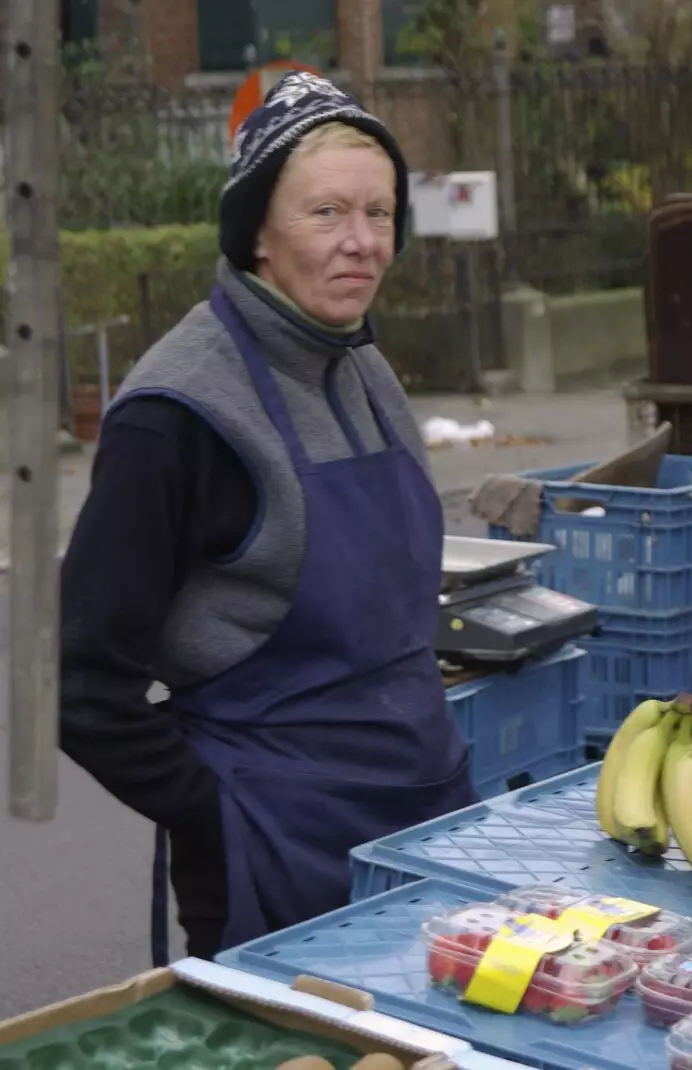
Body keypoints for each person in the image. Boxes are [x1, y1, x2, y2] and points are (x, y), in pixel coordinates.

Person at [58, 73, 479, 958]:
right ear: (256, 232)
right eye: (326, 213)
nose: (362, 243)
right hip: (278, 854)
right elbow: (82, 688)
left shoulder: (361, 366)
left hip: (425, 825)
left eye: (380, 212)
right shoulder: (175, 416)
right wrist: (219, 815)